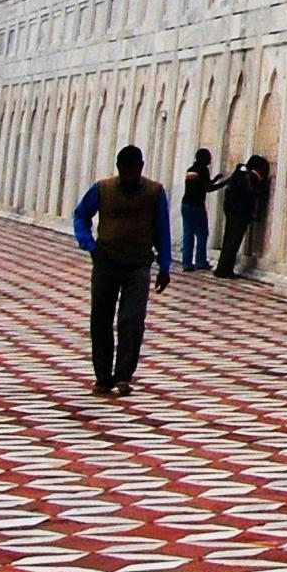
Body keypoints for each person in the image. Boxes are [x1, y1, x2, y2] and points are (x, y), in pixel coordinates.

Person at [70, 145, 172, 396]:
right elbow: (81, 216)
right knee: (101, 319)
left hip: (138, 264)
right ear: (119, 168)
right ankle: (103, 376)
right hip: (106, 261)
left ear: (141, 167)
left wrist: (165, 265)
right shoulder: (102, 190)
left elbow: (162, 230)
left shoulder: (154, 192)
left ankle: (124, 374)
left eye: (135, 170)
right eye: (126, 170)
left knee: (132, 319)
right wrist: (89, 244)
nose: (130, 175)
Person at [214, 153, 272, 279]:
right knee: (233, 242)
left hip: (232, 211)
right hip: (239, 214)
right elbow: (251, 194)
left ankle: (222, 269)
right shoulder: (250, 177)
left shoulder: (240, 175)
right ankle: (225, 270)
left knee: (229, 241)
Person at [177, 148, 215, 273]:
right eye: (208, 157)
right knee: (202, 234)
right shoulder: (203, 169)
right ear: (203, 158)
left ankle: (187, 263)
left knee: (188, 235)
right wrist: (225, 182)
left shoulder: (191, 170)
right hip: (196, 206)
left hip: (185, 204)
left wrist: (215, 180)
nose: (210, 159)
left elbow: (202, 184)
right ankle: (200, 262)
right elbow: (208, 188)